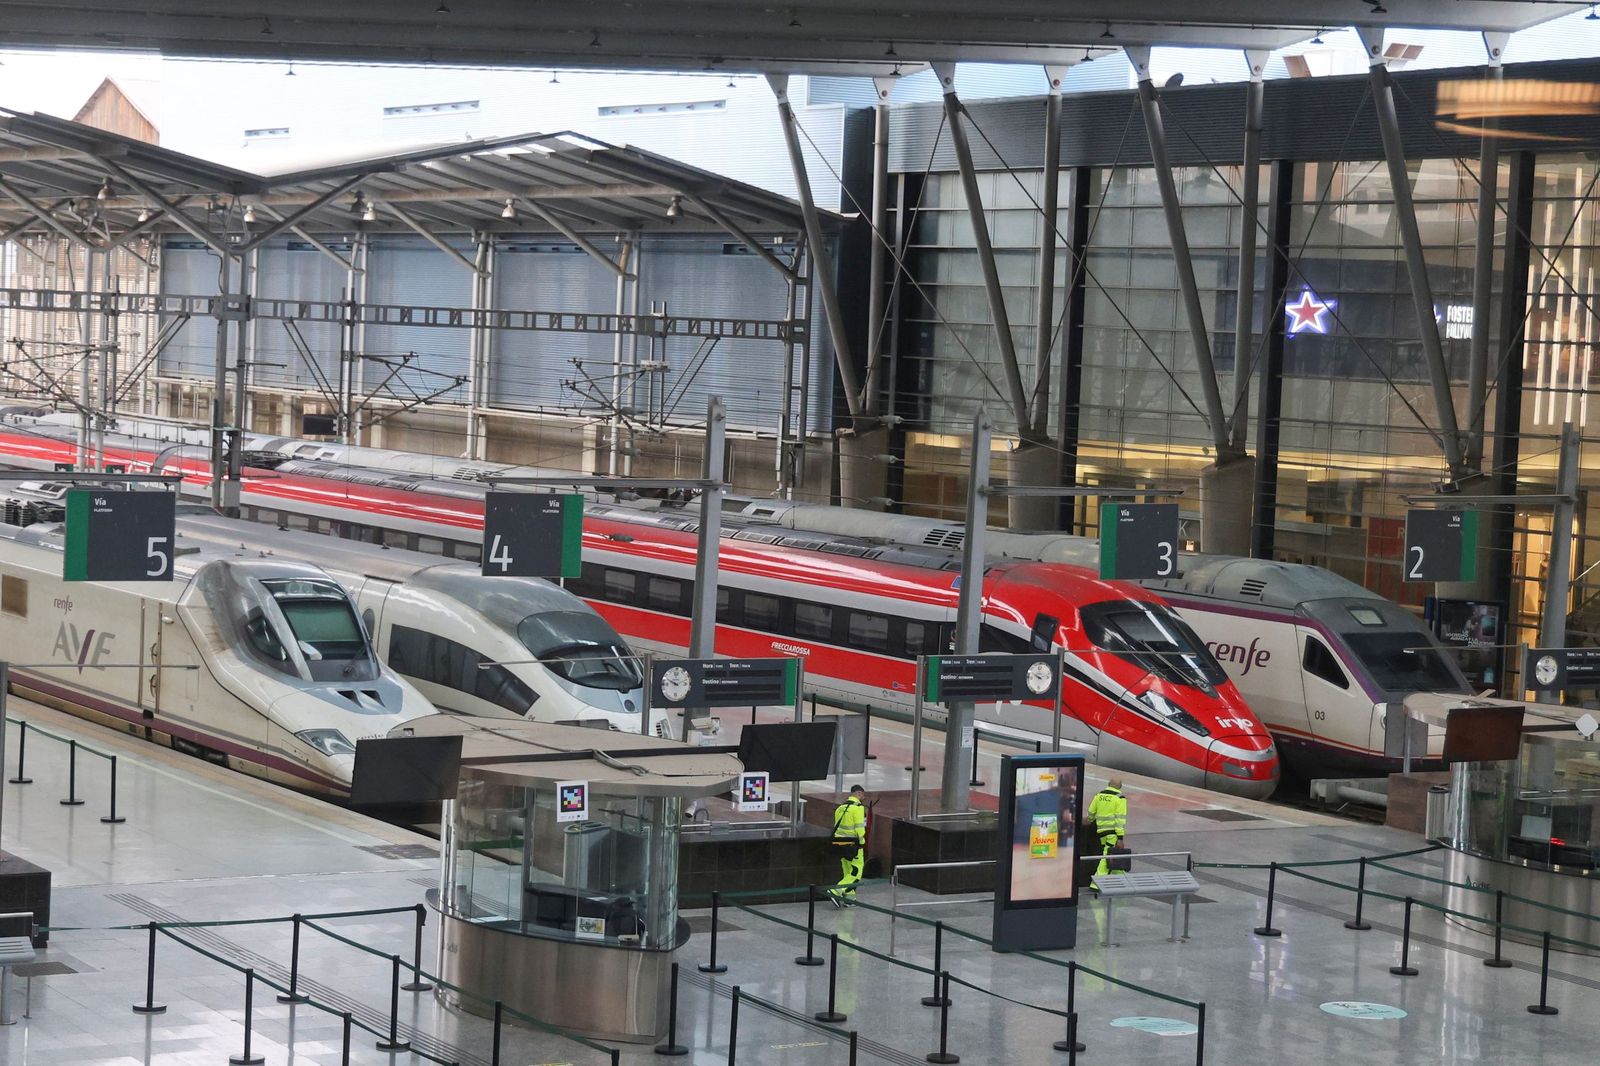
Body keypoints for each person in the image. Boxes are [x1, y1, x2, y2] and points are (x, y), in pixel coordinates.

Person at [830, 784, 868, 907]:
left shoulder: (840, 808)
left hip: (839, 844)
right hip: (853, 846)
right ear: (859, 794)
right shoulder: (858, 808)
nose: (864, 798)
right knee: (856, 872)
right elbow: (860, 829)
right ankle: (836, 891)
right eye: (863, 795)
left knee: (847, 872)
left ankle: (850, 899)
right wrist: (862, 843)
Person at [1086, 777, 1128, 878]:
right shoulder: (1120, 798)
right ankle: (1097, 881)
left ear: (1109, 784)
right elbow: (1120, 819)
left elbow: (1091, 812)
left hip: (1101, 832)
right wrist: (1120, 838)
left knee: (1114, 854)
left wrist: (1090, 820)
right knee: (1107, 856)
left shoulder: (1099, 795)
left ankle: (1122, 878)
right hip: (1112, 833)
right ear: (1120, 786)